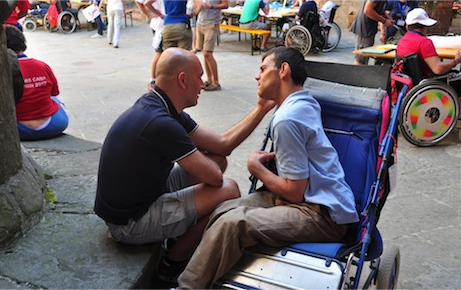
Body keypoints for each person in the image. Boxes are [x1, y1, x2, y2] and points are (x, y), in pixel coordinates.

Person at [176, 46, 359, 289]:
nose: (257, 76)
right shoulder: (304, 102)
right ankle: (207, 273)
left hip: (321, 213)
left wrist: (256, 168)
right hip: (297, 200)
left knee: (233, 224)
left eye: (263, 69)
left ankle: (186, 286)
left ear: (283, 70)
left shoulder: (287, 119)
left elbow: (295, 191)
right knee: (223, 209)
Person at [94, 47, 275, 282]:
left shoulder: (160, 105)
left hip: (142, 197)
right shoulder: (161, 123)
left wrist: (261, 108)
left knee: (217, 160)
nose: (203, 84)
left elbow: (221, 146)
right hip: (129, 223)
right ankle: (172, 262)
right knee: (228, 189)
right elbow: (215, 179)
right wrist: (191, 153)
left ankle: (177, 235)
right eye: (199, 76)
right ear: (182, 80)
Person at [4, 25, 69, 141]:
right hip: (53, 125)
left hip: (20, 129)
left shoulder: (3, 70)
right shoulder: (42, 66)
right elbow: (54, 92)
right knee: (55, 99)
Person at [396, 8, 461, 77]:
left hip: (408, 81)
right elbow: (438, 69)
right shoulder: (424, 42)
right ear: (425, 28)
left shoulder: (402, 41)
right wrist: (455, 61)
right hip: (428, 81)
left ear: (407, 27)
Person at [197, 0, 229, 91]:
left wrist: (211, 7)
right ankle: (209, 79)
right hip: (200, 22)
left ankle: (216, 82)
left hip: (212, 23)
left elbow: (225, 5)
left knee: (208, 53)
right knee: (204, 53)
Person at [351, 0, 393, 64]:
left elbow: (376, 7)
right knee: (360, 59)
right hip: (364, 29)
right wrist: (384, 21)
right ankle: (358, 73)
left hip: (369, 29)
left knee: (365, 57)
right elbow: (367, 10)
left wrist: (386, 16)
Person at [136, 0, 165, 90]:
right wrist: (149, 14)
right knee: (159, 52)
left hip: (164, 23)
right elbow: (140, 2)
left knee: (164, 53)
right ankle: (153, 79)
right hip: (160, 25)